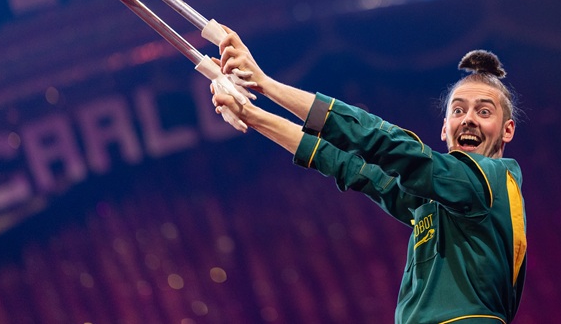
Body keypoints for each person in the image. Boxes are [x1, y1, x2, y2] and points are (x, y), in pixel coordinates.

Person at [211, 27, 527, 323]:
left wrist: (266, 84)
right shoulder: (435, 198)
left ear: (507, 129)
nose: (468, 119)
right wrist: (252, 114)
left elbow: (386, 145)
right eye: (458, 110)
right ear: (445, 128)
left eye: (484, 111)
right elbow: (346, 164)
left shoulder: (492, 179)